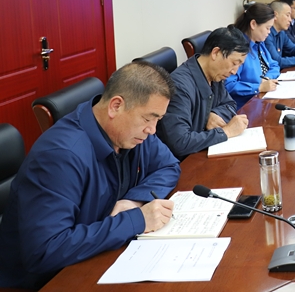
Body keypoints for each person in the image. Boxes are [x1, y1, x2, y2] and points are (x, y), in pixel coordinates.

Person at [0, 62, 181, 289]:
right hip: (46, 280)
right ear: (116, 106)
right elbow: (45, 251)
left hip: (95, 255)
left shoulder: (132, 134)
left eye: (158, 120)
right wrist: (137, 220)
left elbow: (169, 166)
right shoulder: (60, 156)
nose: (152, 130)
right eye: (147, 118)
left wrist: (134, 200)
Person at [157, 26, 250, 160]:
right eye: (234, 63)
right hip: (183, 162)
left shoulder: (215, 75)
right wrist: (226, 132)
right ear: (216, 53)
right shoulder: (179, 86)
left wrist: (212, 114)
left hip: (202, 153)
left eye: (239, 65)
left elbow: (229, 104)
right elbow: (180, 142)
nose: (234, 71)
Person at [225, 3, 280, 110]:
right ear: (253, 24)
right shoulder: (238, 49)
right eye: (267, 28)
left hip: (262, 100)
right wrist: (259, 87)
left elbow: (274, 65)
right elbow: (229, 85)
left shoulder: (259, 43)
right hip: (245, 106)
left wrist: (267, 78)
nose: (269, 32)